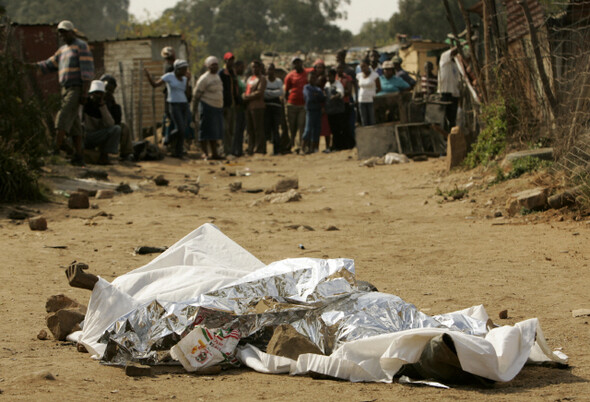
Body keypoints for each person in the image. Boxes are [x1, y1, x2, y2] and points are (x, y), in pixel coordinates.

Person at [34, 20, 94, 166]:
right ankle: (78, 155)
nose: (62, 35)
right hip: (65, 88)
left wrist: (85, 92)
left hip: (76, 87)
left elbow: (87, 71)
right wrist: (33, 66)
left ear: (72, 32)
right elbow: (50, 64)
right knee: (74, 124)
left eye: (65, 32)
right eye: (60, 33)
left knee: (62, 116)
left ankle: (56, 148)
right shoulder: (62, 50)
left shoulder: (81, 46)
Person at [145, 59, 191, 158]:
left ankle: (178, 152)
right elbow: (155, 85)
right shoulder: (169, 76)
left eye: (186, 69)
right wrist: (148, 77)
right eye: (183, 69)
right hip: (174, 104)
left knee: (183, 130)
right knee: (181, 128)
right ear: (177, 69)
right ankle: (167, 139)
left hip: (184, 104)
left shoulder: (185, 79)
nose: (185, 71)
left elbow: (187, 94)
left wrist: (188, 81)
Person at [82, 80, 121, 165]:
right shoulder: (85, 104)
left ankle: (104, 156)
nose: (97, 96)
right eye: (96, 93)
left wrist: (103, 107)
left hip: (98, 135)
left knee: (116, 129)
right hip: (86, 135)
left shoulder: (105, 105)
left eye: (100, 94)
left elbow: (111, 124)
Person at [193, 56, 224, 160]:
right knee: (205, 131)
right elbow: (196, 95)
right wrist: (194, 111)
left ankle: (214, 153)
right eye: (212, 65)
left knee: (214, 132)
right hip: (207, 106)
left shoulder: (217, 76)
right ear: (207, 66)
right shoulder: (204, 78)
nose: (215, 67)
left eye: (216, 65)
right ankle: (205, 153)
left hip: (217, 107)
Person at [99, 74, 134, 161]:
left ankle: (126, 153)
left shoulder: (111, 103)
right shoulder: (95, 98)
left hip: (109, 127)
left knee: (124, 127)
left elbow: (117, 120)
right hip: (97, 128)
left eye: (111, 90)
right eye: (107, 89)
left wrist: (114, 104)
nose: (108, 92)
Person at [284, 56, 310, 153]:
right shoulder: (290, 76)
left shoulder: (307, 74)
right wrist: (287, 103)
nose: (297, 64)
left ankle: (300, 147)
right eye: (295, 63)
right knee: (292, 127)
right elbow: (286, 91)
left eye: (298, 62)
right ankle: (292, 145)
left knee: (301, 126)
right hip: (292, 104)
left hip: (303, 105)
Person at [243, 60, 267, 155]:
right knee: (250, 129)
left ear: (260, 68)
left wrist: (247, 97)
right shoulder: (250, 79)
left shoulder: (262, 79)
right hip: (249, 106)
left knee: (258, 128)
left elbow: (260, 92)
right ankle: (251, 147)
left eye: (256, 67)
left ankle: (260, 148)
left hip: (258, 106)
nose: (254, 69)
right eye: (253, 67)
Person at [219, 52, 239, 156]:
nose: (231, 62)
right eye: (229, 60)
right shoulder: (221, 73)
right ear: (225, 61)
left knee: (231, 129)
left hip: (232, 104)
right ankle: (225, 150)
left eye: (232, 60)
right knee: (225, 128)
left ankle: (229, 150)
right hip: (224, 104)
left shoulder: (233, 73)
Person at [301, 71, 325, 154]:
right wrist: (316, 96)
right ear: (308, 79)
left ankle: (314, 148)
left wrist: (316, 95)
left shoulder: (318, 89)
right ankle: (303, 148)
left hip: (317, 110)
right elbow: (309, 97)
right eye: (311, 78)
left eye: (314, 78)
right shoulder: (306, 87)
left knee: (317, 130)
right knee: (308, 129)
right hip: (310, 110)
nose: (313, 79)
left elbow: (322, 98)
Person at [438, 47, 461, 131]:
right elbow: (453, 51)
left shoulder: (455, 65)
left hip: (454, 94)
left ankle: (451, 137)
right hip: (445, 92)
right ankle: (445, 136)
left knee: (452, 119)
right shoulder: (444, 59)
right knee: (443, 118)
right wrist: (463, 44)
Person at [264, 63, 284, 155]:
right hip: (266, 108)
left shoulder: (279, 81)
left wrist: (269, 93)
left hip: (276, 108)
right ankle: (265, 150)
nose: (270, 71)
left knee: (276, 129)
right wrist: (273, 93)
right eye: (268, 69)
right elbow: (263, 93)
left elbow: (280, 92)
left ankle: (277, 150)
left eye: (271, 69)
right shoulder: (264, 81)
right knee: (266, 129)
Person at [324, 68, 346, 152]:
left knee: (337, 129)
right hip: (330, 110)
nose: (328, 78)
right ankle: (334, 146)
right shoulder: (327, 84)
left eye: (329, 76)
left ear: (334, 76)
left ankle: (338, 146)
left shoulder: (338, 84)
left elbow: (341, 93)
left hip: (338, 110)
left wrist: (335, 96)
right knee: (332, 129)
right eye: (327, 76)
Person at [356, 59, 381, 127]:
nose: (363, 68)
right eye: (361, 67)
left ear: (368, 66)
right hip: (361, 100)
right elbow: (357, 87)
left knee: (372, 120)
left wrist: (372, 93)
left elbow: (379, 88)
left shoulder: (375, 75)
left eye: (364, 66)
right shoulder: (359, 76)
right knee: (364, 121)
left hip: (371, 100)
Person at [313, 59, 331, 153]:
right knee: (316, 127)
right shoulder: (312, 78)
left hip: (324, 104)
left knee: (326, 127)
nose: (319, 69)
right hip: (315, 105)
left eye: (321, 67)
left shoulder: (326, 79)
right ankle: (316, 147)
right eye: (317, 67)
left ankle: (328, 146)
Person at [232, 60, 247, 157]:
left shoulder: (241, 79)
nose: (243, 69)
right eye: (241, 67)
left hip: (243, 107)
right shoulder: (234, 79)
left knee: (241, 130)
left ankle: (239, 150)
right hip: (236, 107)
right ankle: (234, 150)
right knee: (236, 130)